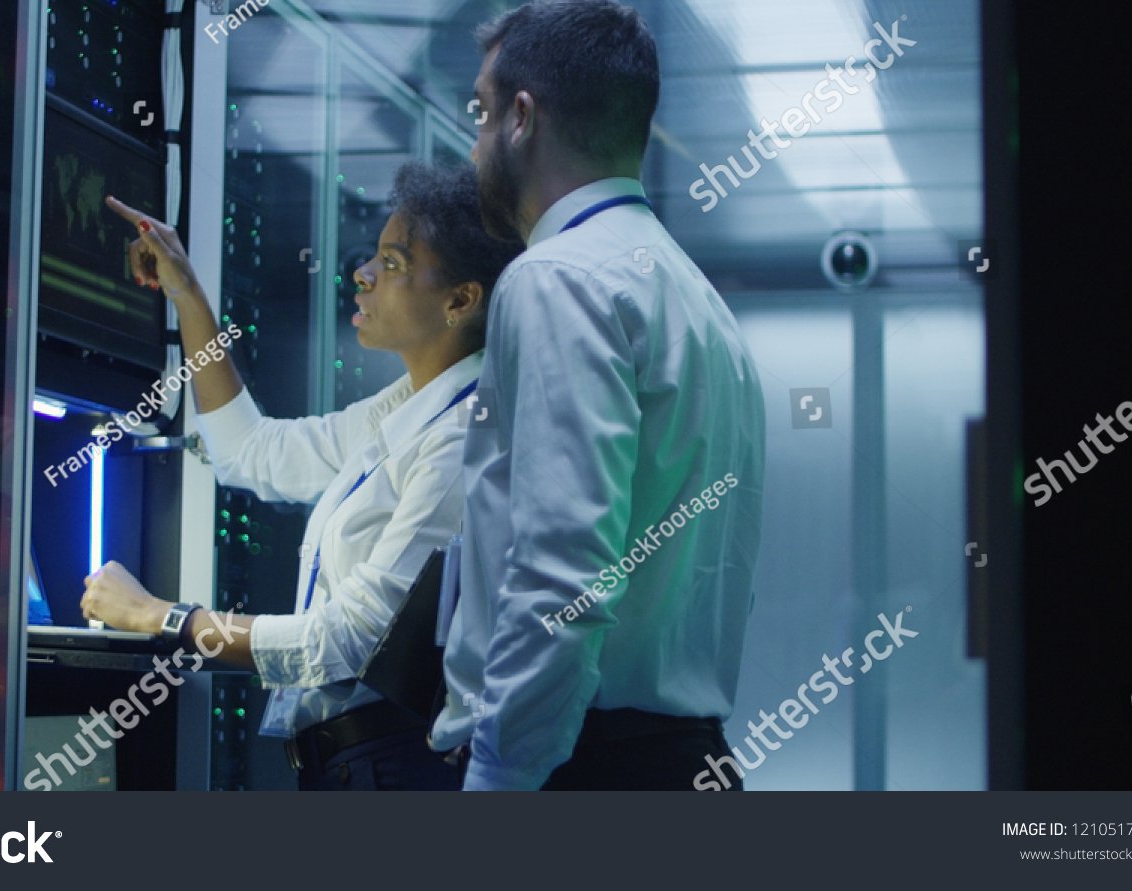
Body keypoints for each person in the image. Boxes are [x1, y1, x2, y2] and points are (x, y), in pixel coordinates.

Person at [80, 162, 523, 790]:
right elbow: (250, 451)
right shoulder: (407, 407)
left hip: (397, 769)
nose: (362, 275)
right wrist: (187, 295)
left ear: (460, 299)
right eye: (373, 257)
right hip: (355, 766)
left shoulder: (460, 439)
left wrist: (162, 615)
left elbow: (351, 641)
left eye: (392, 264)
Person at [430, 0, 768, 791]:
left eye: (480, 113)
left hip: (581, 764)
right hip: (682, 757)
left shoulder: (557, 279)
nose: (474, 143)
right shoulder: (698, 302)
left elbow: (563, 571)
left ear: (522, 118)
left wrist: (498, 778)